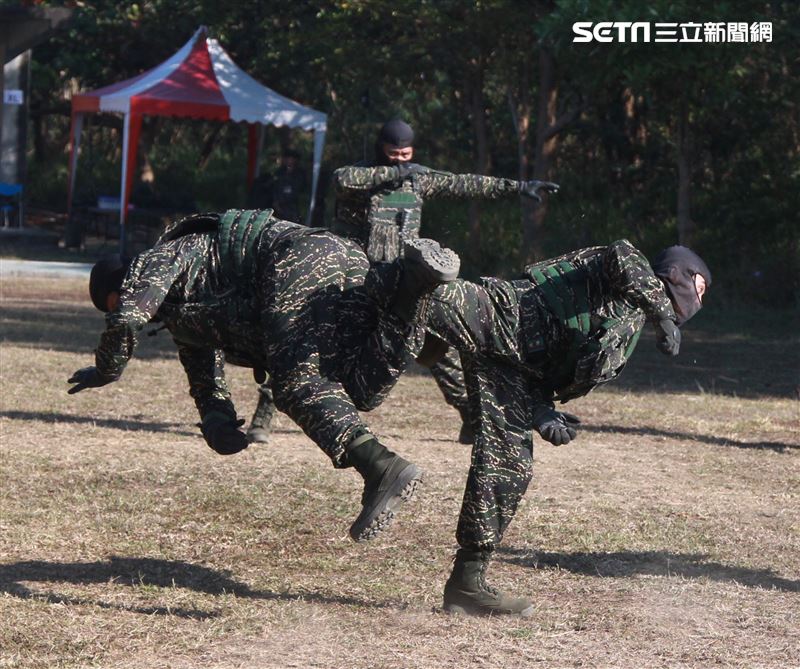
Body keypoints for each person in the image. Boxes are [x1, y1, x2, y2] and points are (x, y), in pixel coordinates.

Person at [68, 209, 461, 543]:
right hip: (337, 262)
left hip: (300, 260)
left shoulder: (156, 260)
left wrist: (106, 369)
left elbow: (126, 319)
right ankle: (410, 298)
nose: (129, 306)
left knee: (293, 384)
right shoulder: (183, 313)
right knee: (358, 390)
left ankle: (381, 468)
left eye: (113, 301)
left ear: (121, 285)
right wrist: (216, 421)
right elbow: (205, 377)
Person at [417, 239, 711, 616]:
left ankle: (466, 584)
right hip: (500, 315)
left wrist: (542, 413)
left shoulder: (626, 332)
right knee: (421, 300)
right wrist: (663, 314)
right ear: (677, 274)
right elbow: (619, 254)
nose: (698, 301)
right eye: (698, 286)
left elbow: (549, 368)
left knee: (510, 470)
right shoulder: (623, 274)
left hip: (510, 369)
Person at [329, 118, 559, 443]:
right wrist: (394, 173)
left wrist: (518, 187)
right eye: (393, 153)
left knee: (440, 346)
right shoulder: (363, 176)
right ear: (381, 149)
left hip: (403, 279)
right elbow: (341, 179)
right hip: (357, 279)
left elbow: (464, 183)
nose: (400, 158)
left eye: (405, 153)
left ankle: (471, 415)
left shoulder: (418, 179)